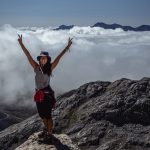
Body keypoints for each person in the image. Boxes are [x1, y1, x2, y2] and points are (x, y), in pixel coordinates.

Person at [18, 34, 73, 138]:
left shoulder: (50, 68)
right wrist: (21, 44)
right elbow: (28, 55)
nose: (43, 60)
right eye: (41, 58)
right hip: (38, 95)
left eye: (45, 58)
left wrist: (67, 46)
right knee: (42, 115)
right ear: (39, 59)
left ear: (47, 59)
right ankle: (47, 130)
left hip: (47, 95)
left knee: (48, 116)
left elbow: (59, 57)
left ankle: (50, 133)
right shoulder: (36, 67)